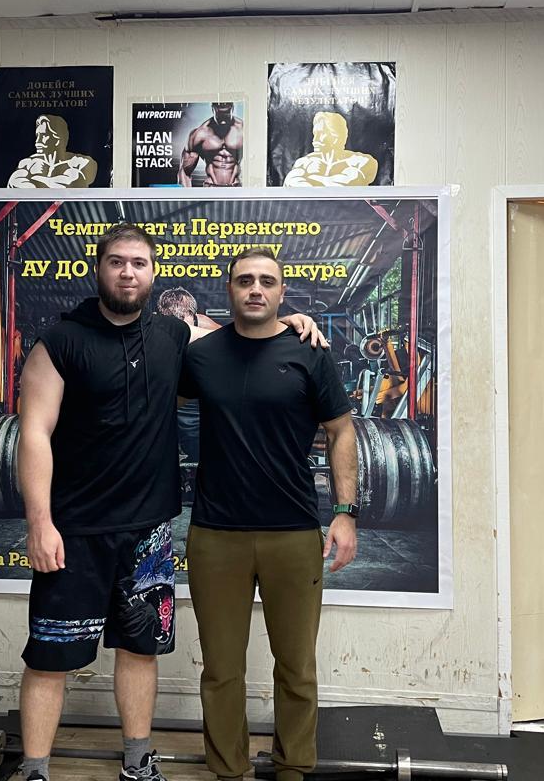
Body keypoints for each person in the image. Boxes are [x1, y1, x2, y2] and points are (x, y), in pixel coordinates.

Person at [16, 227, 326, 781]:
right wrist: (40, 522)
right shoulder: (60, 341)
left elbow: (247, 333)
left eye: (138, 263)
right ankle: (35, 769)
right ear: (98, 268)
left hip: (150, 530)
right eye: (117, 262)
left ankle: (138, 763)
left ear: (153, 274)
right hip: (75, 529)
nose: (127, 273)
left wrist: (296, 322)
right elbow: (34, 433)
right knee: (50, 653)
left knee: (140, 650)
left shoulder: (172, 335)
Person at [179, 248, 359, 781]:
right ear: (229, 291)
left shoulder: (309, 352)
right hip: (216, 534)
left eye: (266, 281)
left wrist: (345, 512)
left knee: (297, 667)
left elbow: (341, 431)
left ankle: (293, 768)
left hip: (294, 532)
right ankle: (228, 771)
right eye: (244, 280)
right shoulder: (200, 356)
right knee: (220, 669)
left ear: (282, 292)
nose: (255, 289)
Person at [283, 111, 377, 187]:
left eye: (321, 134)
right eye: (315, 134)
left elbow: (345, 186)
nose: (315, 139)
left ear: (336, 136)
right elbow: (292, 184)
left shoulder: (362, 161)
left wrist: (312, 178)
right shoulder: (304, 162)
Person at [8, 114, 99, 188]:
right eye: (37, 135)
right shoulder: (28, 163)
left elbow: (74, 184)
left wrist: (35, 178)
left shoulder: (81, 162)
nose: (38, 141)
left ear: (57, 139)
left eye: (43, 135)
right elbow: (14, 184)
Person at [180, 102, 244, 187]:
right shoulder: (200, 134)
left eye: (226, 114)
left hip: (235, 188)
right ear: (213, 109)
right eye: (220, 114)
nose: (223, 120)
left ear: (232, 108)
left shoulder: (244, 130)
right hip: (210, 188)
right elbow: (184, 172)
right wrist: (187, 195)